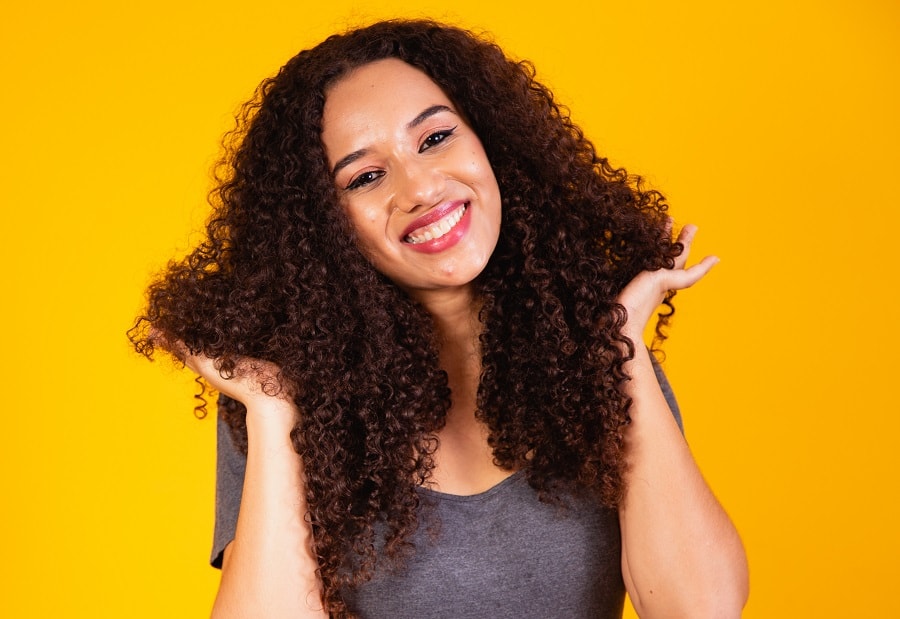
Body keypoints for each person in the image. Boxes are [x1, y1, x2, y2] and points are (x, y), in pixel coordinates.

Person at [130, 19, 748, 619]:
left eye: (434, 139)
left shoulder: (600, 351)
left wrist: (619, 347)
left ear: (493, 144)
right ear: (326, 226)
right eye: (367, 176)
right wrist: (271, 413)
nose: (420, 187)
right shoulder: (285, 390)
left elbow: (701, 608)